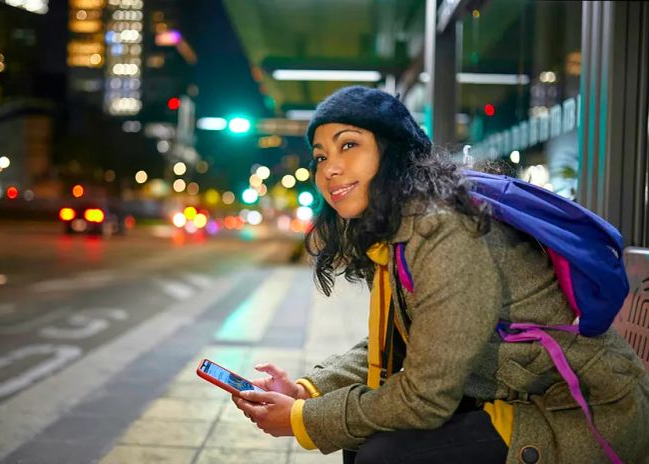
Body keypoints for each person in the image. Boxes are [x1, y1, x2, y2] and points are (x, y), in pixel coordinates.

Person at [232, 86, 649, 463]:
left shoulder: (447, 233)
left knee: (384, 456)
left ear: (393, 152)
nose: (330, 169)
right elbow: (402, 340)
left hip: (577, 413)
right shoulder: (404, 228)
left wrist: (304, 419)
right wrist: (308, 392)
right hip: (513, 395)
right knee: (360, 439)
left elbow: (424, 399)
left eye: (349, 145)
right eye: (321, 156)